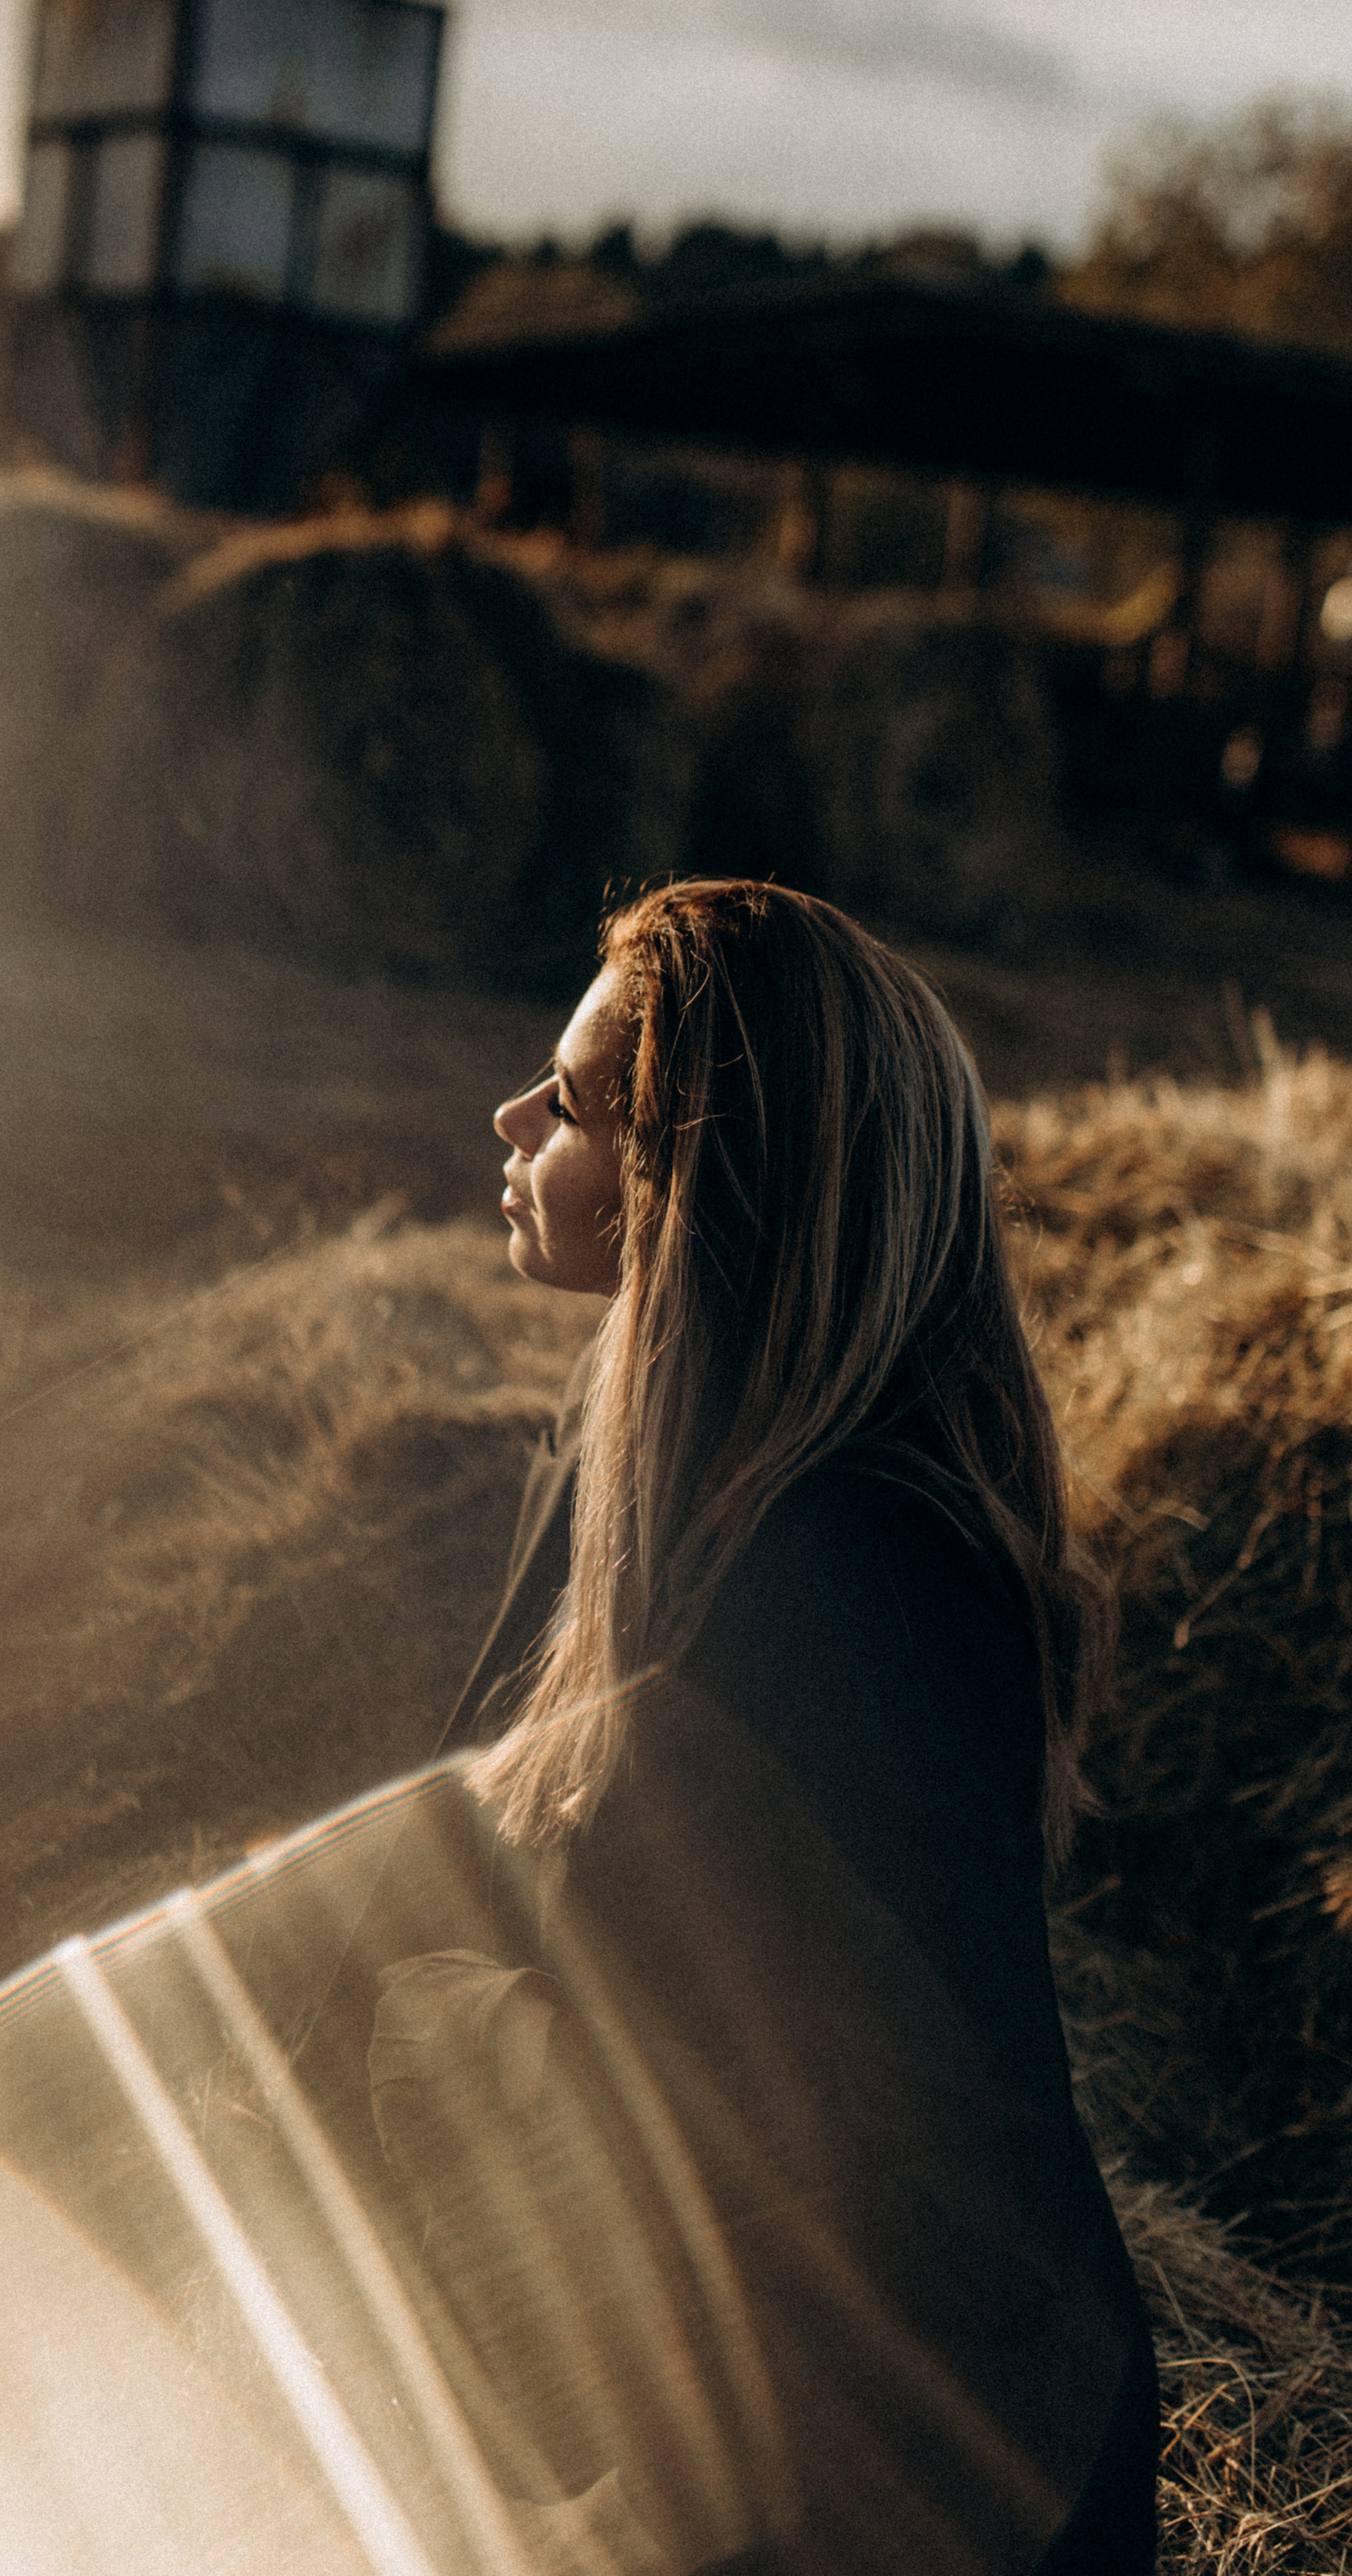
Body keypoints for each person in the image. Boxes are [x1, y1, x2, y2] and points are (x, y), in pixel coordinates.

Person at [379, 877, 1156, 2576]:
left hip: (938, 2479)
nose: (509, 1119)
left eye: (570, 1101)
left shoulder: (847, 1578)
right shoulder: (655, 1464)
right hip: (777, 2411)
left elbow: (755, 2106)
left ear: (696, 1177)